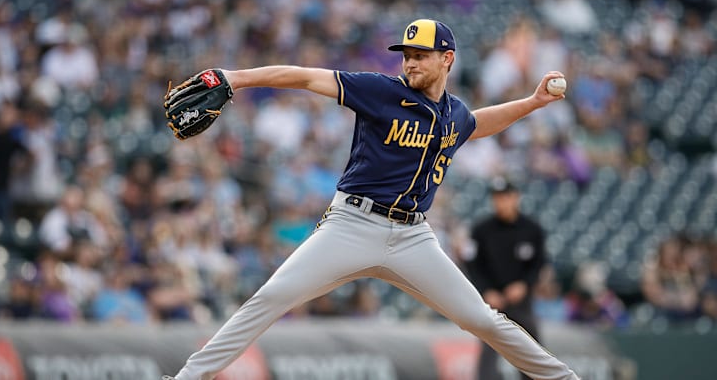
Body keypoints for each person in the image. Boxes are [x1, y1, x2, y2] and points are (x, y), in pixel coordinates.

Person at [164, 19, 579, 380]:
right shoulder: (379, 91)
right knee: (270, 297)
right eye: (406, 54)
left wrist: (532, 102)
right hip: (352, 225)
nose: (410, 62)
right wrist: (236, 77)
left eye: (421, 54)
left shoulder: (454, 113)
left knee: (482, 320)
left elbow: (477, 124)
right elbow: (304, 77)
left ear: (447, 59)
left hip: (414, 237)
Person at [463, 178, 546, 380]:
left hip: (521, 302)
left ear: (516, 197)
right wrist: (486, 290)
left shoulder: (532, 229)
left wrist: (524, 284)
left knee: (530, 350)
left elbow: (539, 262)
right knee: (489, 350)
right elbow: (473, 264)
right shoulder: (481, 230)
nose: (502, 202)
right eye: (497, 198)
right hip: (492, 302)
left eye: (506, 197)